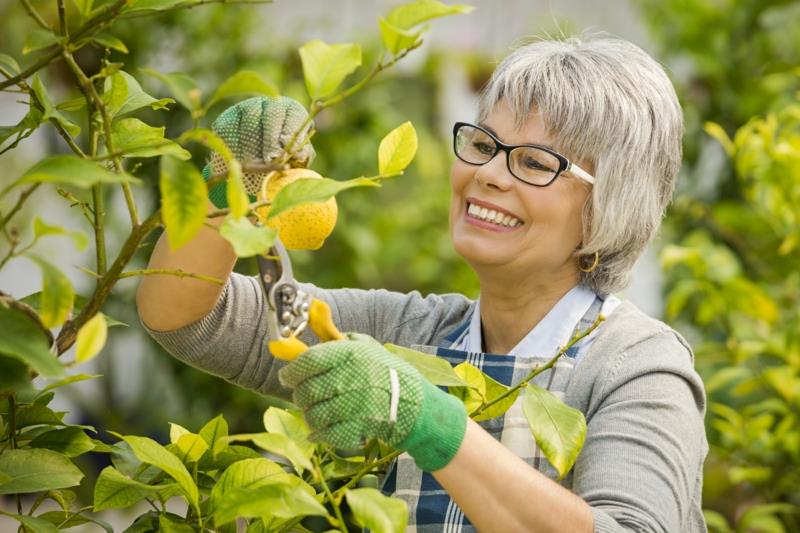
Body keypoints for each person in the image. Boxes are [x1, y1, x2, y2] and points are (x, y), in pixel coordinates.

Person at [137, 35, 708, 532]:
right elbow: (186, 316)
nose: (487, 174)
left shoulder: (637, 368)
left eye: (533, 163)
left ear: (612, 201)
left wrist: (427, 421)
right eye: (484, 146)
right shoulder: (410, 332)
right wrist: (225, 186)